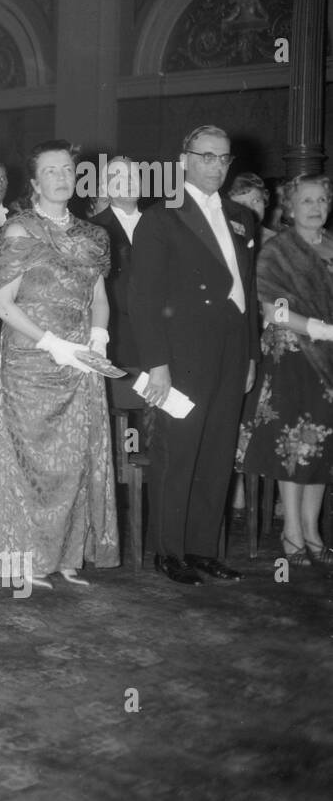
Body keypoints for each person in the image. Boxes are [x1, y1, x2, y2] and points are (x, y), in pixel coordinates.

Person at [129, 125, 259, 585]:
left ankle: (204, 549)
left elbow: (249, 292)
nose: (217, 167)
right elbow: (142, 298)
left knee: (218, 451)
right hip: (182, 350)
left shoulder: (242, 217)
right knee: (178, 450)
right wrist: (156, 363)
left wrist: (250, 355)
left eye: (224, 159)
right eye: (207, 157)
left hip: (231, 345)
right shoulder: (162, 217)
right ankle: (170, 551)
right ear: (184, 159)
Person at [0, 141, 119, 589]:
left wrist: (97, 336)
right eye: (51, 171)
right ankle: (25, 559)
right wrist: (51, 343)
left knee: (76, 458)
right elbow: (4, 305)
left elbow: (99, 298)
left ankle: (66, 556)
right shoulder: (19, 231)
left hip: (80, 359)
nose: (63, 178)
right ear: (34, 182)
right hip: (32, 357)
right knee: (34, 461)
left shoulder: (93, 235)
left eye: (69, 170)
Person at [236, 174, 333, 567]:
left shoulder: (331, 246)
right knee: (295, 445)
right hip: (292, 356)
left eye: (322, 200)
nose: (315, 207)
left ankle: (313, 532)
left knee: (323, 447)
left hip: (329, 361)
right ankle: (292, 532)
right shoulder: (275, 249)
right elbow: (269, 309)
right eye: (306, 200)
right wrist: (317, 328)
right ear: (290, 208)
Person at [89, 156, 143, 369]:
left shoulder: (162, 224)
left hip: (157, 338)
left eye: (132, 176)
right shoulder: (91, 229)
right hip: (114, 337)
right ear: (105, 186)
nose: (128, 181)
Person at [228, 172, 278, 244]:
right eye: (241, 204)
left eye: (255, 201)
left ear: (264, 200)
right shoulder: (221, 240)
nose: (250, 209)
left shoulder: (277, 242)